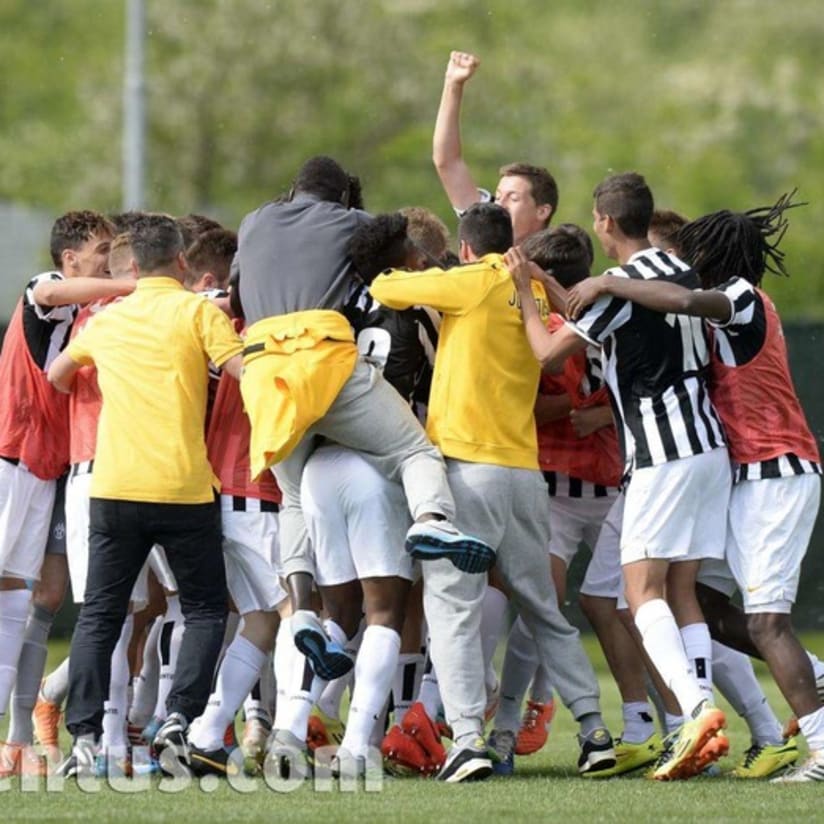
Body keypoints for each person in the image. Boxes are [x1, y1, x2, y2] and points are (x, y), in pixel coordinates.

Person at [566, 193, 824, 782]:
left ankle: (820, 749)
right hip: (736, 475)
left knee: (765, 622)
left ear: (717, 253)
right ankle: (811, 677)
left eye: (693, 250)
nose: (685, 259)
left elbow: (679, 297)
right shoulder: (728, 302)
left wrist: (611, 283)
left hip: (774, 472)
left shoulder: (737, 296)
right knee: (701, 601)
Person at [370, 202, 615, 782]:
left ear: (464, 248)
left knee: (453, 608)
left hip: (467, 470)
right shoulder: (526, 284)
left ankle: (469, 742)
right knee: (543, 610)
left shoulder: (472, 279)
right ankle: (594, 731)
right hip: (525, 474)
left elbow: (388, 284)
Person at [235, 155, 494, 681]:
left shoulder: (254, 221)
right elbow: (390, 253)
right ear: (344, 198)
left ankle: (304, 609)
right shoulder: (351, 222)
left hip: (262, 370)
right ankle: (432, 520)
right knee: (414, 451)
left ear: (293, 189)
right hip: (322, 361)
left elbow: (240, 291)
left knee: (291, 498)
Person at [507, 171, 730, 780]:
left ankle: (694, 713)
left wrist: (524, 295)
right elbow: (589, 308)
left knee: (639, 593)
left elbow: (547, 352)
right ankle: (697, 718)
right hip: (708, 449)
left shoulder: (618, 284)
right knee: (680, 593)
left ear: (604, 222)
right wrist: (549, 282)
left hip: (660, 452)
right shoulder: (682, 270)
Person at [47, 214, 244, 777]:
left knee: (100, 614)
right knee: (205, 607)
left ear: (132, 266)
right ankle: (179, 717)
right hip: (182, 487)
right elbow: (238, 370)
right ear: (182, 262)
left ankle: (84, 735)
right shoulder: (198, 310)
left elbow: (59, 375)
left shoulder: (107, 321)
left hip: (114, 485)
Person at [0, 210, 129, 778]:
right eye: (100, 250)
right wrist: (131, 283)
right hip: (12, 458)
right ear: (70, 258)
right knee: (8, 596)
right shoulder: (42, 290)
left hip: (50, 468)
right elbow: (53, 289)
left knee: (34, 598)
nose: (107, 260)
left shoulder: (91, 314)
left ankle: (17, 738)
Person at [432, 51, 558, 244]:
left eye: (513, 198)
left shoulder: (560, 255)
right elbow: (447, 162)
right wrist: (453, 84)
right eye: (498, 197)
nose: (500, 205)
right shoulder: (486, 225)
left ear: (542, 211)